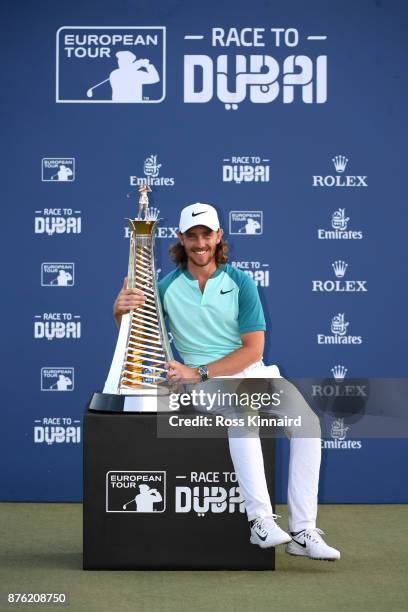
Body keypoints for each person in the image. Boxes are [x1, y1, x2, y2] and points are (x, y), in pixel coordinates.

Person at [113, 202, 341, 561]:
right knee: (244, 414)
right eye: (192, 236)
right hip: (205, 386)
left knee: (308, 424)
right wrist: (119, 312)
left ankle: (302, 531)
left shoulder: (241, 282)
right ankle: (260, 520)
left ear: (219, 237)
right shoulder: (166, 288)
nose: (200, 243)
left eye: (207, 235)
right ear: (181, 240)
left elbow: (253, 350)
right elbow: (140, 343)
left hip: (249, 374)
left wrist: (200, 371)